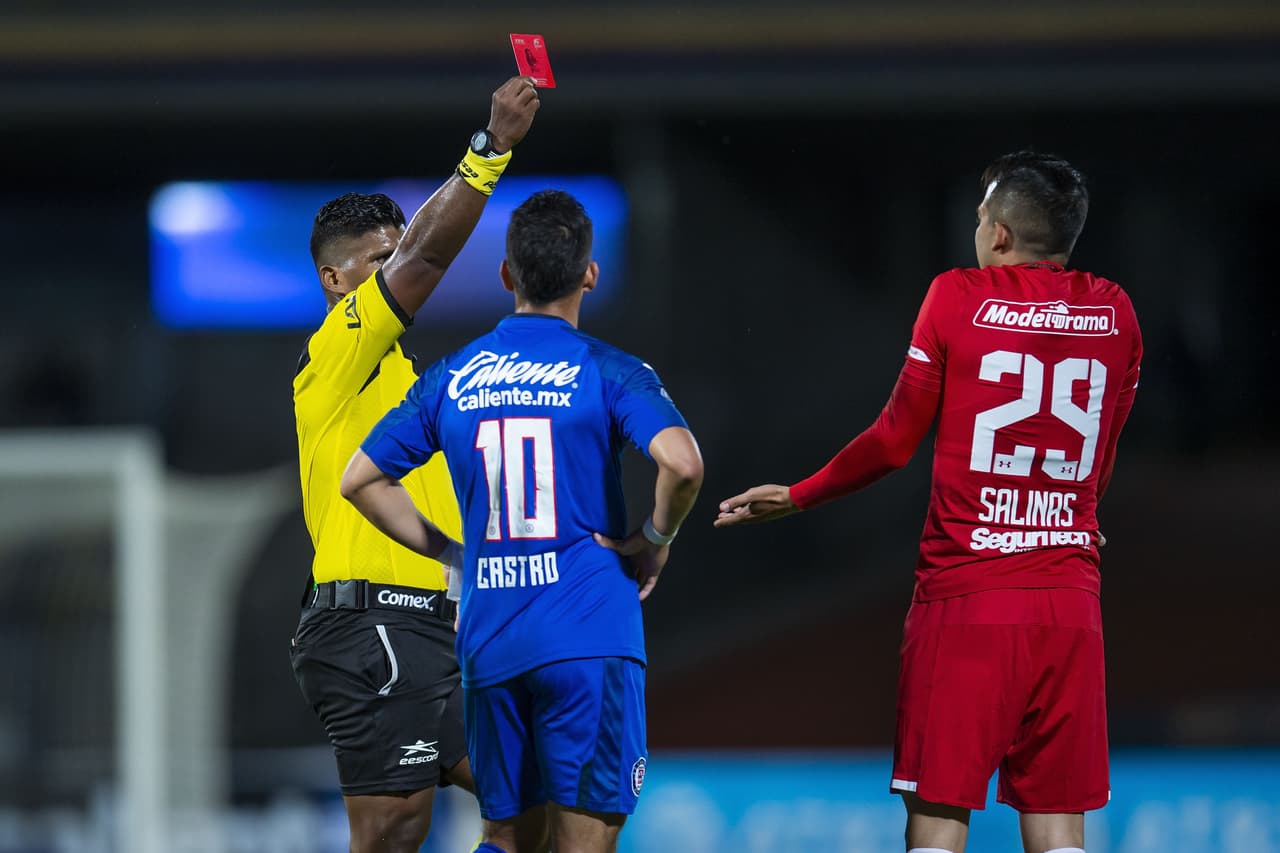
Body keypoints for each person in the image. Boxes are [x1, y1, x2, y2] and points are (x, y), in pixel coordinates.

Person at [715, 152, 1141, 853]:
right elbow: (1102, 457)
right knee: (1061, 829)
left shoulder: (955, 296)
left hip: (966, 600)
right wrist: (1070, 518)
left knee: (938, 823)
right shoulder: (1116, 311)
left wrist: (798, 495)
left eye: (980, 217)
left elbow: (892, 442)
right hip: (1068, 602)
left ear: (998, 234)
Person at [341, 189, 704, 853]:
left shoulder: (453, 376)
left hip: (492, 639)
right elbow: (682, 464)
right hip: (589, 633)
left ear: (507, 275)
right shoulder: (610, 370)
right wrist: (655, 539)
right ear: (589, 274)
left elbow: (359, 479)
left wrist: (455, 553)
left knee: (506, 838)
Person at [288, 77, 541, 853]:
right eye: (379, 258)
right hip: (372, 623)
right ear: (336, 280)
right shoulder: (338, 354)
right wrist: (489, 151)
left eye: (394, 252)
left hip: (432, 626)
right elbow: (429, 253)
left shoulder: (403, 382)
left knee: (530, 802)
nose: (396, 267)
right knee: (394, 832)